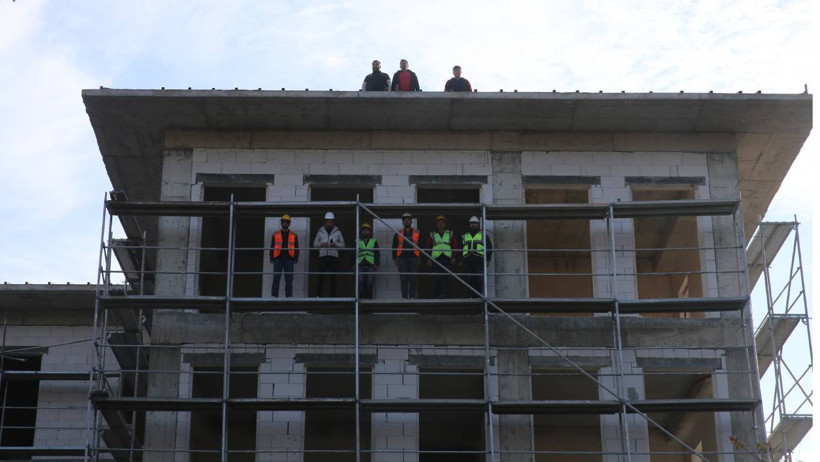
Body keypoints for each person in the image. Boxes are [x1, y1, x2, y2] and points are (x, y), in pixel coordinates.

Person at [424, 215, 458, 298]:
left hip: (447, 259)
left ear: (445, 224)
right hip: (436, 260)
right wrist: (428, 259)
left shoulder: (450, 234)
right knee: (437, 279)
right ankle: (437, 295)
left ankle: (448, 296)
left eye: (442, 223)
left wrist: (454, 257)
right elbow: (427, 247)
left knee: (448, 279)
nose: (441, 224)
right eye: (439, 223)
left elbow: (455, 246)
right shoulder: (432, 234)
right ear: (436, 225)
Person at [313, 211, 345, 297]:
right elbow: (314, 244)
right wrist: (321, 244)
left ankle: (333, 296)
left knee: (333, 277)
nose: (329, 224)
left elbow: (343, 245)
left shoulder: (338, 232)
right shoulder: (320, 231)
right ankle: (318, 295)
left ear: (333, 222)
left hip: (333, 257)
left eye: (331, 222)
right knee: (321, 277)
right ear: (325, 222)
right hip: (323, 256)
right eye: (328, 222)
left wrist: (336, 244)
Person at [461, 216, 492, 298]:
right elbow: (460, 248)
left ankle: (478, 296)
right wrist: (460, 260)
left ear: (478, 225)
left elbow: (489, 247)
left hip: (479, 261)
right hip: (467, 261)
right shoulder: (465, 236)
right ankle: (471, 296)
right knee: (469, 279)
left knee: (479, 279)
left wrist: (488, 259)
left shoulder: (483, 235)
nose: (473, 225)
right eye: (472, 223)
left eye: (475, 223)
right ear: (469, 225)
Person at [392, 212, 420, 299]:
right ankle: (404, 297)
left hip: (414, 257)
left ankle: (412, 297)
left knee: (413, 278)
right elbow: (394, 246)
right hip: (402, 258)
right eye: (405, 220)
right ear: (403, 222)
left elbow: (421, 245)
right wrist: (395, 258)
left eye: (408, 220)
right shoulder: (398, 233)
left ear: (411, 221)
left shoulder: (417, 232)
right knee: (403, 278)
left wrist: (420, 257)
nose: (407, 221)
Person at [270, 214, 299, 298]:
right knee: (276, 277)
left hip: (289, 258)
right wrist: (271, 258)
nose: (285, 223)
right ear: (281, 223)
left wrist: (296, 258)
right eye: (283, 222)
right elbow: (272, 246)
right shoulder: (275, 234)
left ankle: (289, 296)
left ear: (289, 223)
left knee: (289, 278)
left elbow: (296, 247)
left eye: (287, 222)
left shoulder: (294, 235)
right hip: (278, 258)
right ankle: (274, 295)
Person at [355, 223, 380, 299]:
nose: (365, 232)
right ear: (361, 232)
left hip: (370, 265)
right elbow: (353, 253)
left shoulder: (374, 241)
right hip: (360, 264)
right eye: (364, 230)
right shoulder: (357, 241)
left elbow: (377, 253)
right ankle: (361, 299)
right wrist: (353, 264)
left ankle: (369, 300)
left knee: (369, 283)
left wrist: (376, 264)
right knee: (360, 283)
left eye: (367, 230)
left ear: (370, 232)